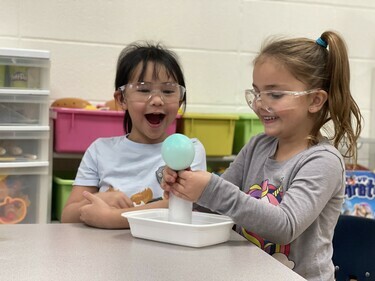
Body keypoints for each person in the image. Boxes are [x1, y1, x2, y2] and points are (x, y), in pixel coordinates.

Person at [161, 31, 362, 281]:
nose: (259, 103)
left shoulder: (323, 161)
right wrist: (186, 188)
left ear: (315, 100)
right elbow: (217, 206)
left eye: (275, 94)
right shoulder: (258, 146)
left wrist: (210, 188)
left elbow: (285, 226)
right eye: (257, 92)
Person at [61, 42, 206, 229]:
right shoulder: (100, 150)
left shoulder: (188, 149)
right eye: (144, 90)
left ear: (179, 100)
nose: (156, 100)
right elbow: (68, 216)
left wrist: (112, 218)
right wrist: (100, 198)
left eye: (168, 91)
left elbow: (182, 205)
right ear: (122, 99)